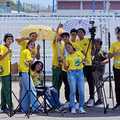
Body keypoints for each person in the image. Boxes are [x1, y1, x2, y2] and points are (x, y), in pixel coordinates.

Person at [19, 40, 41, 112]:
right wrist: (33, 57)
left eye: (33, 45)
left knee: (25, 91)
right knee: (32, 90)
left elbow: (27, 63)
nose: (32, 46)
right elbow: (29, 63)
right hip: (25, 73)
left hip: (22, 73)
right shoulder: (27, 52)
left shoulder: (24, 51)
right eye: (31, 44)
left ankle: (24, 108)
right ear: (27, 45)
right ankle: (36, 107)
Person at [64, 42, 86, 113]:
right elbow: (66, 68)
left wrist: (84, 62)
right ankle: (72, 107)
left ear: (72, 46)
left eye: (68, 47)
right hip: (71, 73)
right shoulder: (67, 57)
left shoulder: (79, 53)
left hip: (80, 73)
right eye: (66, 48)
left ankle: (81, 107)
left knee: (81, 91)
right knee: (73, 91)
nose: (68, 49)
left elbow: (84, 60)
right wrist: (64, 64)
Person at [77, 28, 95, 107]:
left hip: (88, 64)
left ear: (84, 33)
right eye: (78, 32)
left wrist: (93, 37)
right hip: (80, 65)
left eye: (81, 32)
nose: (79, 34)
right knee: (80, 83)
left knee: (90, 82)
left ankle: (91, 98)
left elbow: (93, 50)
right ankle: (80, 100)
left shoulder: (88, 40)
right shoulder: (76, 42)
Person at [0, 33, 14, 111]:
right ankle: (10, 106)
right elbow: (0, 58)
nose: (9, 40)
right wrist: (7, 52)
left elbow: (8, 61)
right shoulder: (2, 47)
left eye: (11, 39)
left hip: (8, 71)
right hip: (4, 71)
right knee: (7, 89)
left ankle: (3, 106)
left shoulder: (9, 49)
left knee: (3, 89)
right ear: (5, 40)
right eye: (8, 39)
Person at [92, 38, 108, 105]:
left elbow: (107, 60)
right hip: (93, 70)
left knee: (98, 85)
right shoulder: (94, 51)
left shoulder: (102, 51)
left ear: (100, 44)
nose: (95, 44)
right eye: (95, 43)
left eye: (96, 43)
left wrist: (100, 63)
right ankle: (92, 99)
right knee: (93, 85)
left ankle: (100, 99)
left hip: (98, 71)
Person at [109, 29, 120, 109]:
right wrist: (115, 53)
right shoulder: (114, 44)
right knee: (117, 86)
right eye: (118, 34)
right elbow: (109, 56)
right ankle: (118, 102)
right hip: (116, 68)